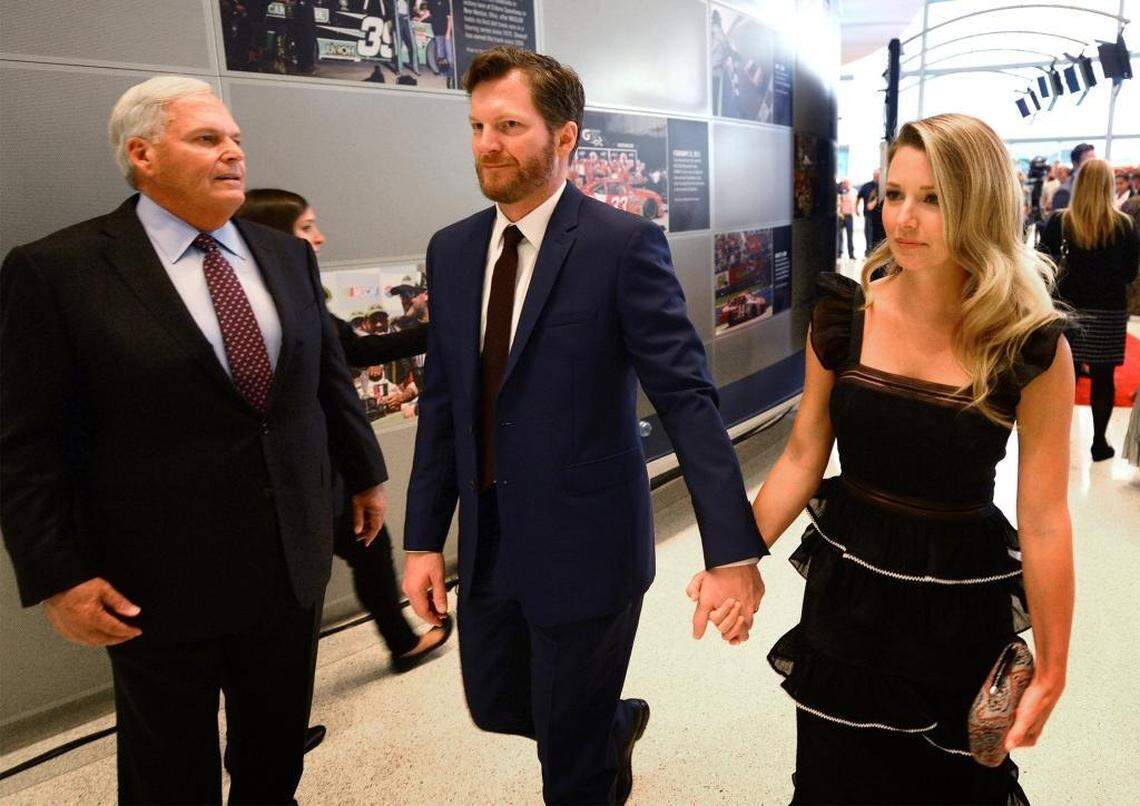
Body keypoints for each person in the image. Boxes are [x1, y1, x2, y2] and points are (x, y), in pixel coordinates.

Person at [0, 77, 388, 804]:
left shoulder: (283, 255)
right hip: (155, 578)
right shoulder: (58, 271)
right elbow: (26, 443)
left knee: (275, 755)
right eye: (208, 139)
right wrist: (57, 575)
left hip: (288, 555)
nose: (233, 153)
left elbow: (324, 382)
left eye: (236, 139)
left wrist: (364, 476)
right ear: (141, 154)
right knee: (169, 775)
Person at [400, 47, 766, 805]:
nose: (487, 144)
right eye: (476, 126)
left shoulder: (620, 247)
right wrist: (422, 540)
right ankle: (609, 724)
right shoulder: (454, 249)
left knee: (567, 773)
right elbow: (444, 403)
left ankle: (592, 749)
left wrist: (731, 549)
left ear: (565, 137)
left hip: (589, 543)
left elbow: (688, 400)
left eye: (508, 125)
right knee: (498, 703)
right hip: (493, 539)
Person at [693, 113, 1075, 803]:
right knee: (836, 779)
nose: (904, 217)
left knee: (958, 787)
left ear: (979, 203)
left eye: (933, 198)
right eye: (893, 193)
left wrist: (1055, 663)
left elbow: (1045, 518)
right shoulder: (844, 316)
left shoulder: (1028, 346)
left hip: (962, 602)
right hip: (850, 595)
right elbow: (802, 456)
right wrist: (737, 558)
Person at [235, 189, 450, 667]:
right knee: (348, 558)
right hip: (303, 467)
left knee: (360, 554)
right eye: (306, 227)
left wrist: (446, 327)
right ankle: (398, 644)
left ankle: (397, 643)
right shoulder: (269, 297)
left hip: (319, 463)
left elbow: (355, 352)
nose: (319, 237)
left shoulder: (290, 289)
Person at [1040, 158, 1140, 461]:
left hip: (1068, 308)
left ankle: (1055, 439)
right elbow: (1129, 273)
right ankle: (1099, 441)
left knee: (1061, 376)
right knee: (1104, 377)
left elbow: (1043, 262)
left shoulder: (1060, 221)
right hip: (1108, 310)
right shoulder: (1123, 225)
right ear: (1109, 186)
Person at [1049, 142, 1096, 211]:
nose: (1095, 166)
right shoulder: (1065, 191)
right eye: (1089, 162)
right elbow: (1058, 220)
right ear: (1075, 164)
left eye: (1095, 161)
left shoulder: (1097, 187)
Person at [856, 169, 880, 256]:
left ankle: (874, 251)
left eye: (879, 175)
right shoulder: (867, 186)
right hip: (868, 215)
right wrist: (856, 208)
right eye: (877, 175)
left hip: (879, 215)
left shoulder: (882, 186)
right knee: (868, 233)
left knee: (876, 233)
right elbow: (858, 197)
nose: (878, 177)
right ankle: (868, 251)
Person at [836, 179, 855, 260]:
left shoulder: (853, 193)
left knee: (850, 236)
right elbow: (838, 205)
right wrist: (840, 214)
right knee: (840, 236)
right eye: (844, 183)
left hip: (849, 216)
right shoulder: (839, 193)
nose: (846, 185)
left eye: (847, 183)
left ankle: (851, 254)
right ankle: (839, 253)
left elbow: (853, 204)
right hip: (841, 216)